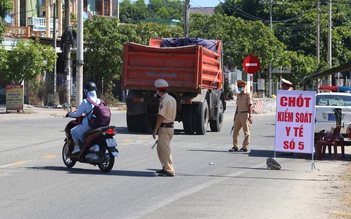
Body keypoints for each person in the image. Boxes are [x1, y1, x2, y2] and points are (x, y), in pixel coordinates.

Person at [69, 82, 102, 154]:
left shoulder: (86, 101)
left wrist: (69, 113)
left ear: (86, 91)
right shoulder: (100, 101)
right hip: (100, 124)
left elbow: (78, 114)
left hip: (90, 124)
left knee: (73, 131)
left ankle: (77, 147)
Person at [152, 79, 177, 177]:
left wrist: (155, 129)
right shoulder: (171, 98)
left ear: (158, 90)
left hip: (164, 128)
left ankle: (169, 170)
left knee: (165, 150)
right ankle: (164, 167)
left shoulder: (164, 100)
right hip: (170, 127)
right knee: (160, 148)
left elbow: (160, 116)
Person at [229, 80, 253, 152]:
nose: (239, 88)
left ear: (243, 87)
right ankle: (235, 146)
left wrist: (250, 116)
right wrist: (235, 115)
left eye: (240, 87)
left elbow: (250, 106)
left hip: (245, 114)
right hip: (238, 114)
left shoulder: (247, 95)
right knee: (235, 132)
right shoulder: (238, 95)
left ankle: (244, 147)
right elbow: (237, 106)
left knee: (246, 132)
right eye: (238, 87)